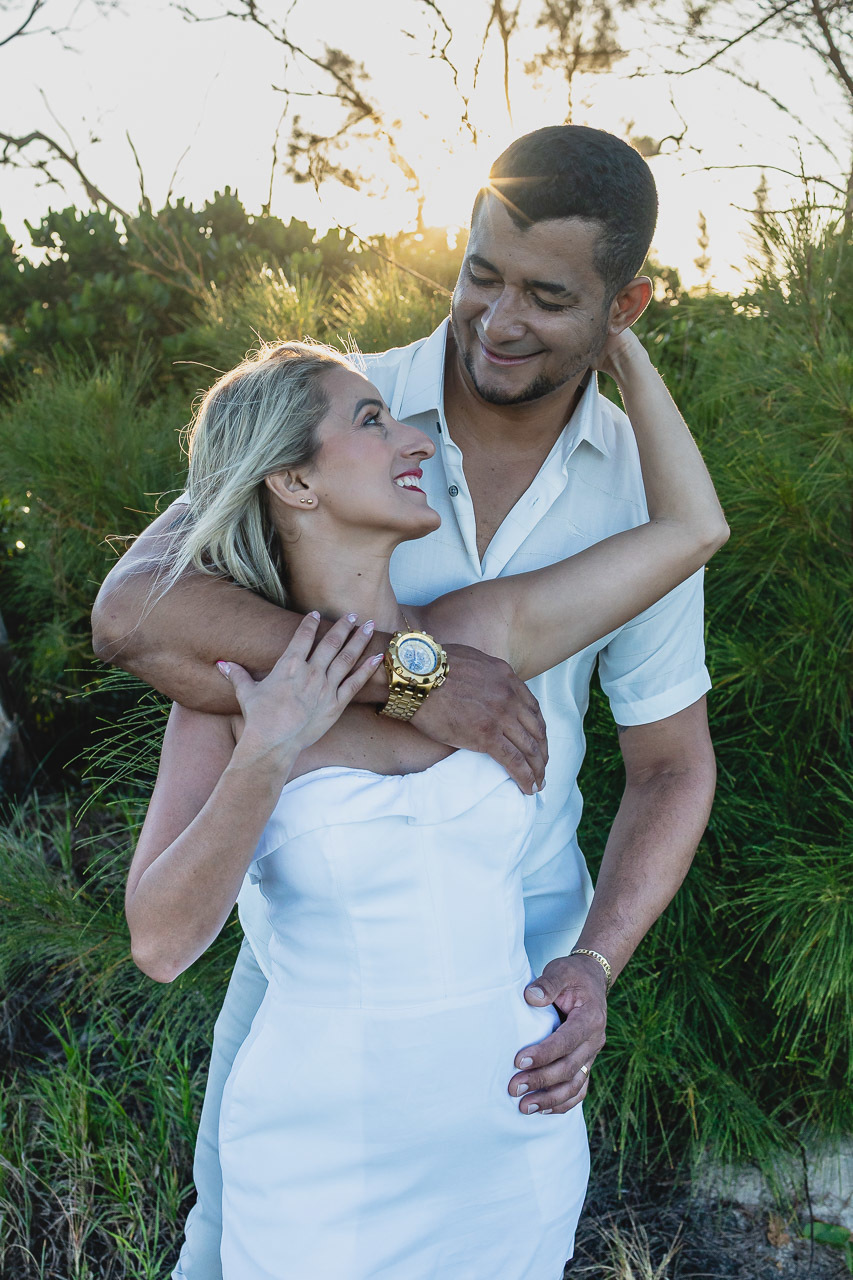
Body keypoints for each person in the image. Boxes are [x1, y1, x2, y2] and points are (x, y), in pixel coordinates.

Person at [92, 126, 721, 1278]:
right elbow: (133, 611)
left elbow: (674, 759)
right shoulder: (334, 395)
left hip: (517, 1007)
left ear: (620, 303)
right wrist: (400, 676)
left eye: (546, 295)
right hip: (313, 1020)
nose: (496, 319)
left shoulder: (618, 490)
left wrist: (593, 962)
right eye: (480, 274)